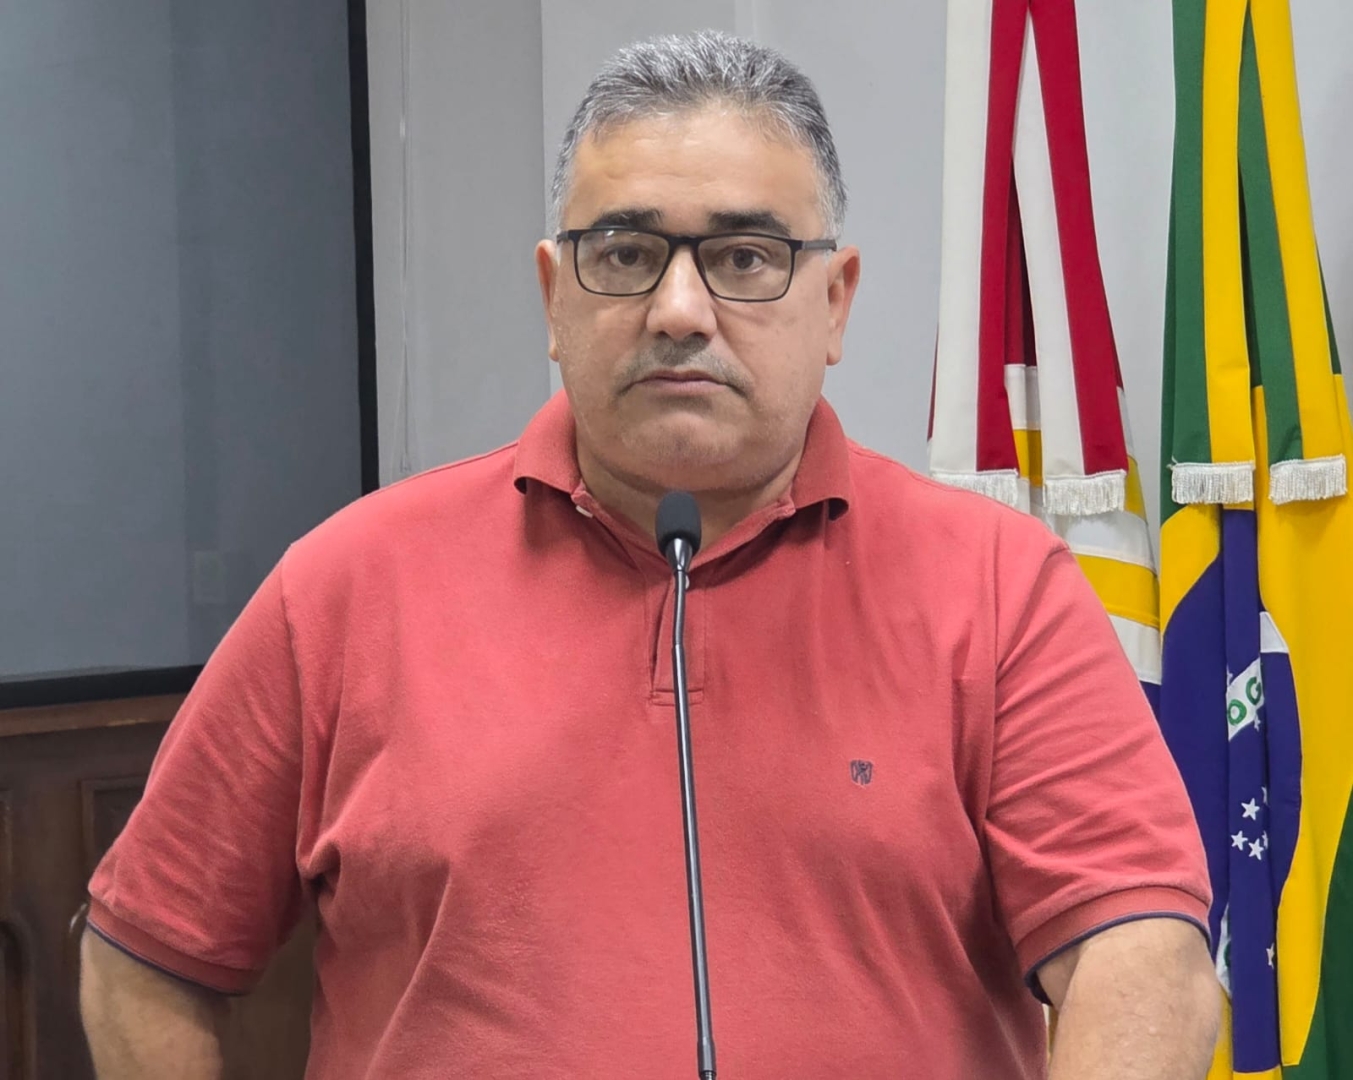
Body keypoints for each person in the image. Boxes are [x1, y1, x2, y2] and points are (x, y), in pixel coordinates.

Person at [79, 30, 1220, 1080]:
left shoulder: (1001, 588)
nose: (679, 309)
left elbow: (1139, 958)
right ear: (553, 295)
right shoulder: (345, 586)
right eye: (624, 253)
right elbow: (146, 956)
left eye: (744, 256)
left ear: (834, 302)